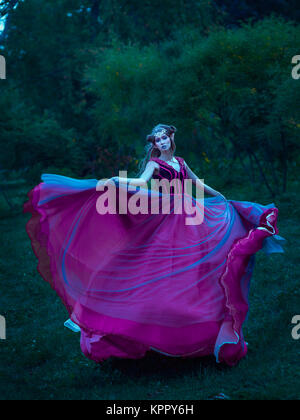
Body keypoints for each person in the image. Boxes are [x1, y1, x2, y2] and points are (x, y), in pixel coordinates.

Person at [23, 123, 285, 367]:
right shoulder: (155, 163)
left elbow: (195, 182)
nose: (161, 141)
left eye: (164, 137)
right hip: (169, 213)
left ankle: (199, 311)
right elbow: (140, 182)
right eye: (157, 139)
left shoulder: (180, 161)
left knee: (202, 259)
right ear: (154, 143)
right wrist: (118, 182)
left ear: (171, 138)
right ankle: (147, 314)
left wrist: (220, 197)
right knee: (161, 260)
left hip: (190, 212)